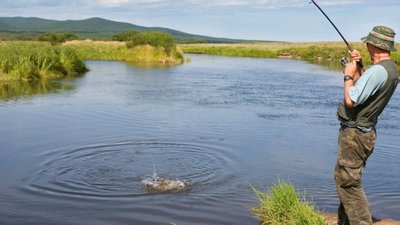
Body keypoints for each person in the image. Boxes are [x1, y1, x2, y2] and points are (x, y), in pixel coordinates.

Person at [335, 26, 399, 225]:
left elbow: (351, 100)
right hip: (365, 133)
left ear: (374, 45)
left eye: (368, 43)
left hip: (355, 134)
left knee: (348, 183)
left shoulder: (379, 71)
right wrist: (359, 65)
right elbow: (366, 87)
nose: (366, 46)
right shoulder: (390, 68)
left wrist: (348, 74)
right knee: (346, 178)